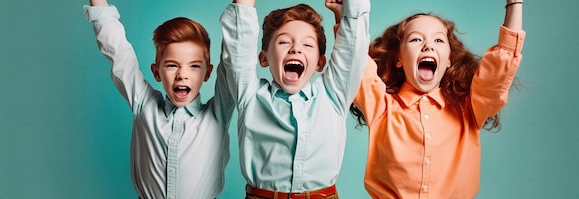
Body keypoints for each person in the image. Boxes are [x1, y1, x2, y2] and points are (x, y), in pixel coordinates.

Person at [344, 0, 525, 198]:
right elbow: (356, 59)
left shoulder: (469, 110)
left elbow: (497, 71)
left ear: (448, 59)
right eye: (415, 40)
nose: (428, 46)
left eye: (438, 40)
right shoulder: (381, 107)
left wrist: (514, 3)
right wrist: (345, 12)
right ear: (399, 59)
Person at [84, 0, 234, 198]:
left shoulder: (218, 114)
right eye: (172, 65)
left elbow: (234, 59)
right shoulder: (144, 105)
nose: (182, 74)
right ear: (156, 72)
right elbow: (119, 53)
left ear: (207, 73)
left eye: (194, 66)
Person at [219, 0, 369, 198]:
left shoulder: (333, 95)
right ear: (264, 58)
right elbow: (238, 49)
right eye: (283, 42)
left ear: (320, 62)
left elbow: (351, 53)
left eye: (307, 44)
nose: (296, 49)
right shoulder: (250, 95)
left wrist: (347, 13)